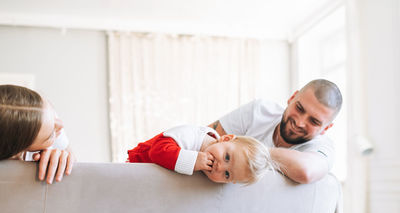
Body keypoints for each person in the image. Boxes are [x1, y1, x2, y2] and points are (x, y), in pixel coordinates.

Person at [209, 79, 342, 184]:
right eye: (299, 108)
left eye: (314, 121)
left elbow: (306, 171)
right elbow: (205, 137)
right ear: (292, 98)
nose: (300, 122)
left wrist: (247, 151)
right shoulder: (259, 111)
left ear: (325, 129)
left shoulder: (323, 147)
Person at [127, 125, 273, 184]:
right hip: (136, 165)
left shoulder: (218, 157)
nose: (220, 167)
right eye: (227, 157)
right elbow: (157, 152)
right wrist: (193, 160)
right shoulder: (191, 135)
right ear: (226, 138)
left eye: (227, 175)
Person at [0, 84, 75, 184]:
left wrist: (63, 159)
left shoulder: (47, 120)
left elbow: (74, 162)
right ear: (17, 153)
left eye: (53, 111)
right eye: (50, 135)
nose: (61, 124)